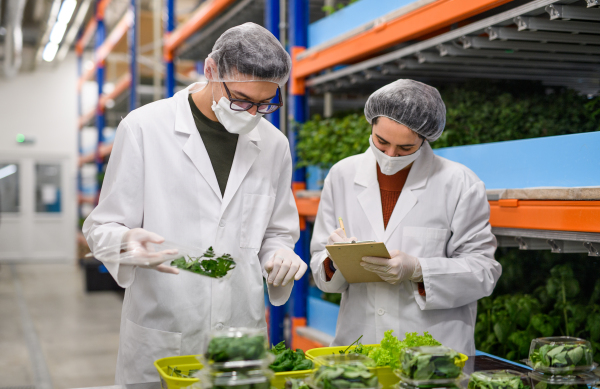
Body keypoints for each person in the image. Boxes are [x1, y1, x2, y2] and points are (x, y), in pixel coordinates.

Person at [83, 23, 307, 384]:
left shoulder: (274, 144)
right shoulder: (144, 127)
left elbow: (277, 231)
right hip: (165, 329)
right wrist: (125, 242)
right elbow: (101, 226)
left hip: (240, 332)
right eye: (241, 100)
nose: (252, 114)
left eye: (265, 103)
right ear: (210, 71)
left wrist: (279, 254)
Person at [309, 79, 501, 355]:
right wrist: (333, 260)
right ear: (371, 125)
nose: (390, 155)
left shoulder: (459, 182)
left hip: (433, 350)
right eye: (381, 141)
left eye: (405, 148)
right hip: (360, 343)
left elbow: (484, 271)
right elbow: (320, 264)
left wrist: (419, 269)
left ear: (425, 138)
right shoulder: (342, 174)